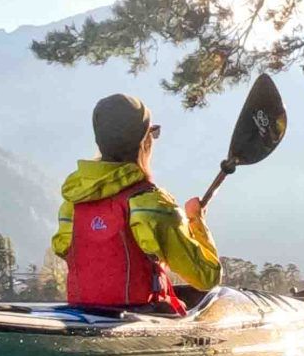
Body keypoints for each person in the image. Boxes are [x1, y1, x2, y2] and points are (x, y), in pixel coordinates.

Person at [52, 93, 219, 312]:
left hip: (82, 313)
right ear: (144, 142)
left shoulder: (72, 205)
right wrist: (196, 221)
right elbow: (207, 277)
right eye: (153, 133)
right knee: (213, 297)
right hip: (144, 318)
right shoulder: (151, 204)